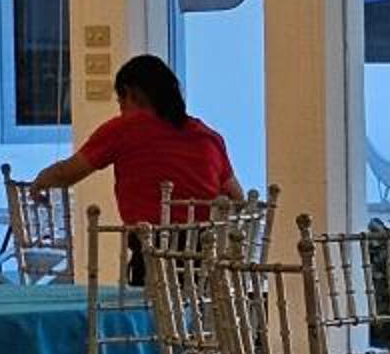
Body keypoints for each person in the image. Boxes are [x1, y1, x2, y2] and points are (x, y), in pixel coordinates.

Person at [24, 53, 244, 229]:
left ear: (130, 93)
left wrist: (39, 183)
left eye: (120, 102)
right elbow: (236, 197)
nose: (121, 110)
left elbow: (67, 173)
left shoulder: (124, 129)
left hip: (151, 251)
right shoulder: (209, 137)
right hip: (205, 254)